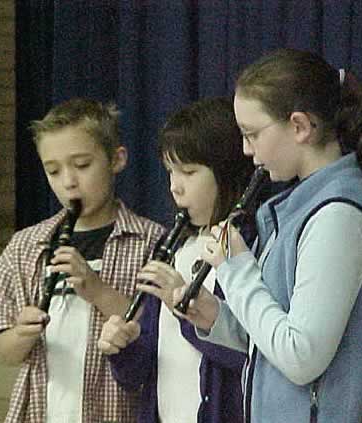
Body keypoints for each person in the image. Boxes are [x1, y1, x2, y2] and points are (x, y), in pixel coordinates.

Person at [174, 49, 362, 423]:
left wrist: (236, 269)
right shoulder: (293, 209)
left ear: (299, 126)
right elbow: (271, 343)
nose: (246, 150)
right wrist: (216, 317)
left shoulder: (338, 216)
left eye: (252, 134)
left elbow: (301, 357)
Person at [0, 98, 164, 423]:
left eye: (82, 165)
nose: (68, 182)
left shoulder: (153, 242)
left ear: (116, 159)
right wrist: (23, 333)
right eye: (53, 170)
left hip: (116, 412)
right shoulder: (25, 246)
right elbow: (5, 351)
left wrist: (97, 290)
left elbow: (159, 335)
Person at [98, 97, 258, 423]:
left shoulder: (252, 243)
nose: (175, 187)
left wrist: (188, 310)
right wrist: (124, 347)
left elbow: (256, 356)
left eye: (188, 172)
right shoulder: (173, 246)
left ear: (226, 173)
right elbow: (140, 374)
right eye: (170, 171)